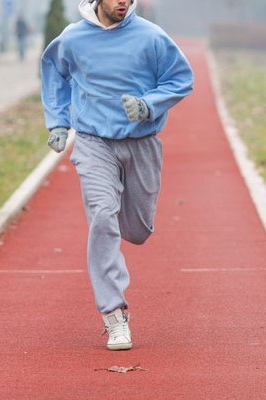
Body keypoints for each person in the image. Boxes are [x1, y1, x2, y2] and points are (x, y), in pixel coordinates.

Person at [40, 0, 193, 351]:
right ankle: (113, 313)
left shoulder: (151, 37)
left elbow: (181, 79)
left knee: (137, 231)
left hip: (141, 143)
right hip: (93, 142)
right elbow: (54, 72)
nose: (123, 1)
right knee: (102, 215)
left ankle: (122, 220)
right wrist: (58, 122)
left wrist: (149, 105)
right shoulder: (73, 39)